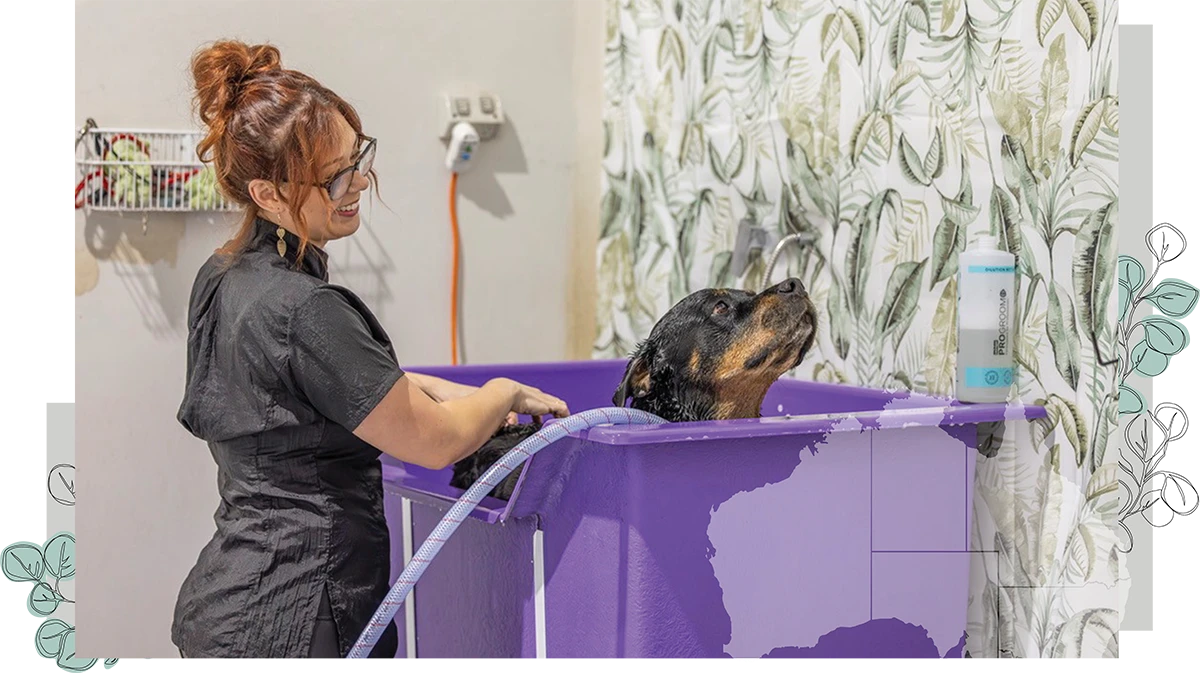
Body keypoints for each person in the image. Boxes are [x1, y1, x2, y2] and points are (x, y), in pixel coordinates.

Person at [172, 39, 570, 664]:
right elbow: (435, 444)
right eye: (334, 176)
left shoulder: (224, 278)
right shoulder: (308, 310)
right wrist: (501, 393)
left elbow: (297, 392)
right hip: (301, 616)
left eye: (357, 158)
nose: (358, 182)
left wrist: (430, 387)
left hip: (231, 606)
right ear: (268, 193)